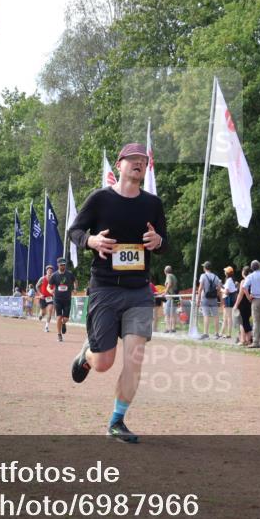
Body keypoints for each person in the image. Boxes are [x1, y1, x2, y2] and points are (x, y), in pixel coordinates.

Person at [67, 142, 167, 444]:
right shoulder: (100, 199)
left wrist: (158, 241)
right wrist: (92, 241)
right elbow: (74, 232)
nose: (138, 163)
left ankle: (117, 421)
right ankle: (87, 354)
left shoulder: (152, 204)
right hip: (105, 289)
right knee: (103, 363)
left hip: (139, 291)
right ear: (120, 165)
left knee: (134, 359)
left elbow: (166, 243)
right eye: (132, 159)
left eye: (143, 160)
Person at [49, 257, 77, 342]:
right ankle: (59, 334)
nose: (63, 266)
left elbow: (75, 281)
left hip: (67, 299)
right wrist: (51, 290)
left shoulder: (69, 274)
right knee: (59, 317)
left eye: (64, 265)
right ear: (58, 265)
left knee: (65, 319)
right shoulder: (54, 275)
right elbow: (49, 286)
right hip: (57, 299)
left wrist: (75, 289)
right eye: (61, 265)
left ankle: (64, 323)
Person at [195, 261, 221, 339]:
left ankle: (206, 333)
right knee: (216, 316)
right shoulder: (216, 277)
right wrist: (216, 295)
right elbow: (219, 288)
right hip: (214, 298)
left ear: (205, 268)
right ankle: (216, 333)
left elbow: (200, 288)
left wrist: (198, 299)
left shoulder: (203, 276)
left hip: (205, 298)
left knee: (206, 315)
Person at [233, 266, 253, 346]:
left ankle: (243, 340)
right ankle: (249, 340)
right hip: (250, 303)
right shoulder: (252, 281)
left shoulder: (243, 281)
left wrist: (236, 305)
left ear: (244, 273)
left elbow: (240, 294)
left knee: (241, 322)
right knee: (247, 321)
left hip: (243, 304)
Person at [219, 266, 237, 339]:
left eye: (225, 271)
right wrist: (221, 286)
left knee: (228, 317)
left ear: (227, 273)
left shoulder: (229, 280)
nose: (224, 272)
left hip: (228, 300)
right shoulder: (230, 280)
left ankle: (229, 334)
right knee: (225, 317)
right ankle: (221, 333)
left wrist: (220, 289)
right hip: (229, 300)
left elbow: (226, 292)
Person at [37, 266, 55, 332]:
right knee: (43, 313)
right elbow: (37, 286)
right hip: (43, 297)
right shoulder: (42, 279)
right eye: (48, 270)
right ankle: (41, 315)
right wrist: (40, 294)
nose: (50, 272)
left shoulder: (54, 279)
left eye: (51, 271)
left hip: (50, 297)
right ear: (46, 271)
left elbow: (56, 287)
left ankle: (46, 327)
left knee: (50, 310)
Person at [163, 265, 178, 333]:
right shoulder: (174, 276)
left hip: (170, 297)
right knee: (173, 313)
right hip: (175, 296)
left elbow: (169, 284)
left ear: (165, 271)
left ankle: (168, 328)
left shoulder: (168, 276)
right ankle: (173, 328)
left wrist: (165, 292)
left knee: (167, 314)